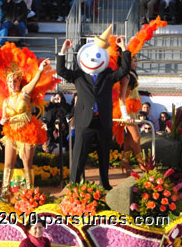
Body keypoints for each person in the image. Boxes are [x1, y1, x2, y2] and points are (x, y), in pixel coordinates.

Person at [56, 27, 130, 190]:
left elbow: (124, 70)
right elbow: (60, 70)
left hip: (103, 121)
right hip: (84, 122)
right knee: (78, 157)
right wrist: (64, 50)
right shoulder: (79, 75)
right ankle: (74, 186)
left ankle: (105, 185)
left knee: (104, 156)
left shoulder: (108, 74)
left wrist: (124, 48)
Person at [0, 43, 59, 198]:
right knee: (8, 163)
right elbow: (2, 120)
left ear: (19, 82)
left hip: (26, 132)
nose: (13, 84)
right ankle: (5, 191)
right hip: (11, 133)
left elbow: (35, 81)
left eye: (15, 81)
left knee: (26, 162)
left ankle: (30, 191)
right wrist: (3, 120)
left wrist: (40, 69)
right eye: (10, 81)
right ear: (7, 84)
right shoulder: (5, 101)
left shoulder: (25, 93)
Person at [119, 56, 146, 175]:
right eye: (134, 61)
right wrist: (125, 114)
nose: (136, 63)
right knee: (137, 137)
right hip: (126, 111)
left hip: (132, 110)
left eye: (136, 61)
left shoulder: (131, 73)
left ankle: (125, 162)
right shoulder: (126, 75)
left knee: (130, 138)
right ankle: (142, 164)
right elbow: (121, 97)